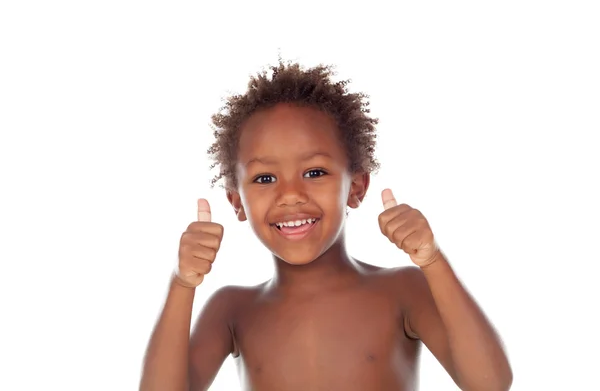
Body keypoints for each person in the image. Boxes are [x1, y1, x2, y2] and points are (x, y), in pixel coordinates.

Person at [140, 61, 513, 391]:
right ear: (237, 202)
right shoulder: (231, 308)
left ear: (357, 188)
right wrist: (182, 282)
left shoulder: (402, 290)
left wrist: (432, 260)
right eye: (265, 179)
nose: (290, 195)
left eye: (314, 172)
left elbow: (489, 383)